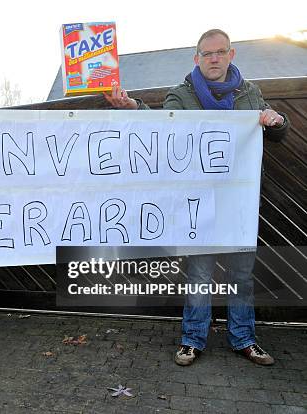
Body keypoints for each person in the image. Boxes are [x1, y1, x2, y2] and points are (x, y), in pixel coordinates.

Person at [105, 29, 289, 367]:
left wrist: (277, 120)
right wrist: (133, 107)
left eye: (220, 52)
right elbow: (161, 128)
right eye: (207, 54)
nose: (214, 58)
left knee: (241, 277)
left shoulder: (250, 93)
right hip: (197, 206)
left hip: (239, 205)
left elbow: (277, 130)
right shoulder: (181, 95)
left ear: (231, 54)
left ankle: (245, 339)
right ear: (197, 58)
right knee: (200, 276)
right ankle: (192, 341)